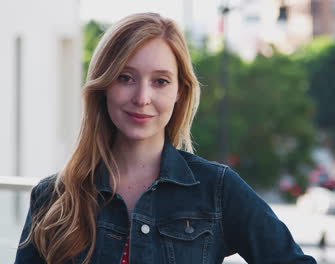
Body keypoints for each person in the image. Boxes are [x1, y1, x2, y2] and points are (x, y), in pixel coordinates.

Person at [15, 12, 316, 264]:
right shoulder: (53, 197)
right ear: (103, 85)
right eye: (125, 77)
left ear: (179, 92)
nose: (142, 97)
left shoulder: (217, 190)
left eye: (160, 81)